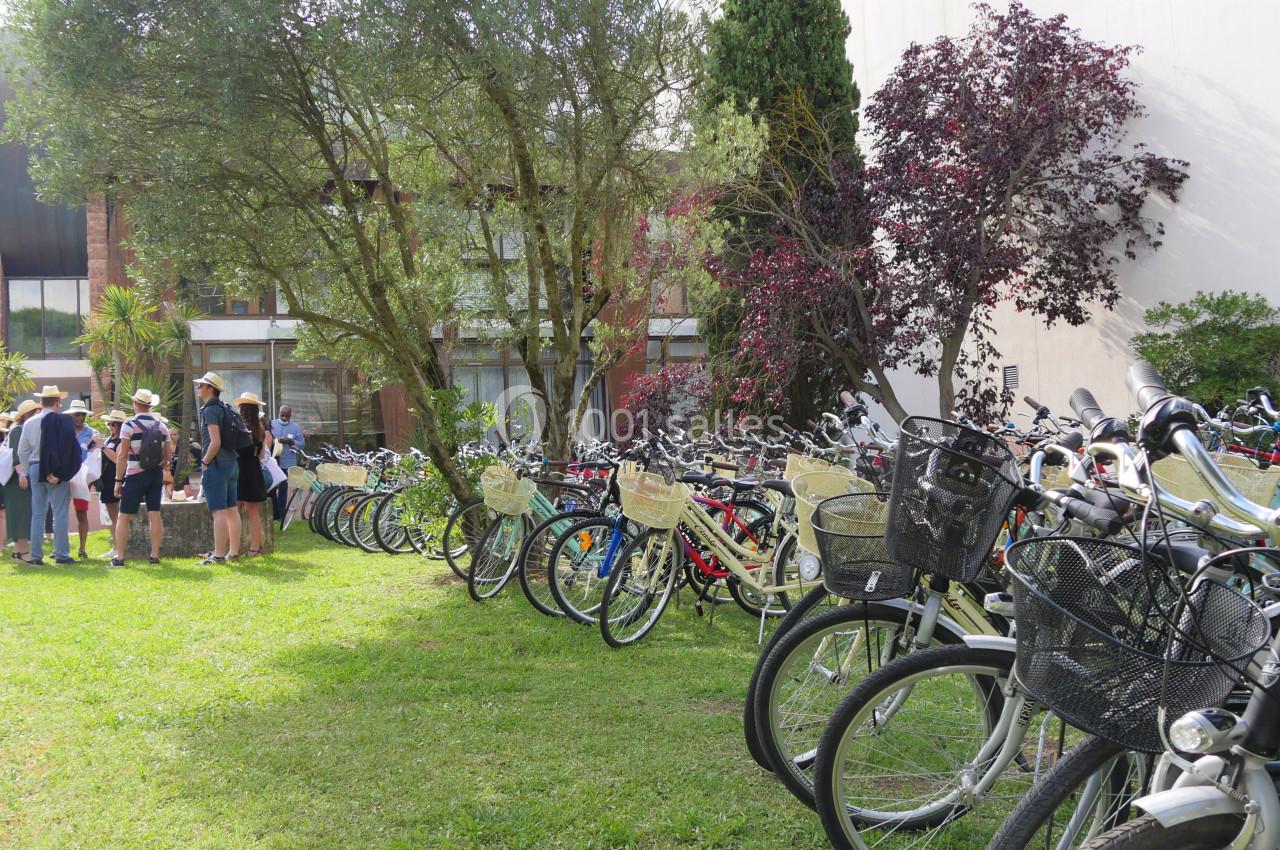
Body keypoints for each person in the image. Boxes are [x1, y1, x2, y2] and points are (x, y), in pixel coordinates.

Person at [16, 386, 80, 566]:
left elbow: (22, 451)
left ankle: (36, 555)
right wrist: (61, 472)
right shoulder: (62, 421)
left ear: (42, 402)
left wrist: (26, 470)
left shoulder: (30, 422)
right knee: (59, 513)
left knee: (37, 513)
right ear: (57, 403)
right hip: (55, 470)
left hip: (35, 466)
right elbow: (68, 450)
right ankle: (61, 554)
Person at [112, 389, 171, 567]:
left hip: (135, 474)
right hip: (155, 474)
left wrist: (118, 480)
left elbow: (122, 455)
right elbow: (168, 456)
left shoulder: (129, 425)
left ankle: (120, 557)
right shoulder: (162, 426)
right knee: (155, 514)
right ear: (150, 406)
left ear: (135, 404)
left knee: (124, 516)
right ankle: (154, 556)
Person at [194, 372, 240, 564]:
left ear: (210, 388)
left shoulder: (210, 410)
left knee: (218, 511)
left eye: (201, 385)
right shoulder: (224, 407)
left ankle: (219, 555)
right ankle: (233, 553)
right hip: (231, 463)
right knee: (231, 509)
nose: (198, 388)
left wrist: (205, 462)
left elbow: (215, 442)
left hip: (217, 465)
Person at [234, 392, 273, 557]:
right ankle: (254, 549)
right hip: (254, 468)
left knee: (233, 511)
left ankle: (231, 548)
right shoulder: (260, 428)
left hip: (239, 468)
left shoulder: (239, 427)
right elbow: (261, 455)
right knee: (253, 513)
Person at [4, 401, 38, 562]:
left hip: (19, 478)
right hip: (17, 480)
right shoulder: (18, 430)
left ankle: (19, 551)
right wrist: (22, 474)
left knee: (20, 514)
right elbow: (16, 456)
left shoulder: (21, 429)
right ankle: (24, 552)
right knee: (21, 514)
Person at [67, 398, 100, 560]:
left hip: (83, 477)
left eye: (82, 414)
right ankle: (61, 548)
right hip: (64, 474)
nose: (80, 417)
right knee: (60, 511)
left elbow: (95, 457)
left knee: (81, 512)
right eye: (77, 414)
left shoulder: (92, 434)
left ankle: (82, 548)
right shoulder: (64, 431)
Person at [98, 409, 126, 559]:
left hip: (116, 478)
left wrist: (102, 447)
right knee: (111, 515)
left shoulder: (121, 441)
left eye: (113, 424)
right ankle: (115, 546)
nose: (110, 427)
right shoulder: (109, 439)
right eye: (109, 424)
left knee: (117, 516)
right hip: (106, 479)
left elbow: (117, 459)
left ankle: (118, 547)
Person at [271, 404, 305, 524]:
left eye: (287, 416)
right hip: (274, 461)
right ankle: (273, 513)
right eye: (282, 415)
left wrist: (291, 441)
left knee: (283, 488)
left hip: (288, 461)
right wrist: (276, 441)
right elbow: (266, 438)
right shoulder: (272, 424)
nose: (284, 418)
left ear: (290, 416)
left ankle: (281, 514)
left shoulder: (295, 427)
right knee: (271, 488)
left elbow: (302, 444)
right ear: (279, 414)